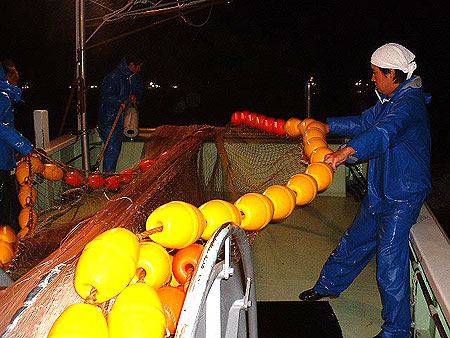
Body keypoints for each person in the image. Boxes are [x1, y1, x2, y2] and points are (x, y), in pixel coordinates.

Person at [299, 43, 431, 338]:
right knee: (354, 241)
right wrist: (326, 125)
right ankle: (328, 286)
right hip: (381, 190)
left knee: (389, 264)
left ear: (391, 73)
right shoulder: (390, 99)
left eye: (375, 73)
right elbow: (366, 122)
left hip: (402, 196)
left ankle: (396, 331)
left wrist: (346, 151)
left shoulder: (408, 105)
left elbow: (384, 133)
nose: (372, 79)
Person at [0, 59, 34, 233]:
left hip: (5, 157)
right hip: (1, 160)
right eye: (15, 71)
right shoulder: (2, 96)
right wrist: (25, 147)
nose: (18, 74)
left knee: (10, 201)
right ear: (7, 75)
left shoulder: (6, 94)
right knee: (5, 207)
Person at [97, 55, 144, 172]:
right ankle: (109, 179)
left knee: (115, 147)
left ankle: (109, 177)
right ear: (131, 64)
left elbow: (138, 91)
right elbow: (105, 96)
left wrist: (134, 96)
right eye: (138, 67)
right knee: (112, 148)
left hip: (120, 119)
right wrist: (118, 103)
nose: (139, 69)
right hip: (109, 119)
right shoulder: (113, 77)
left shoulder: (133, 77)